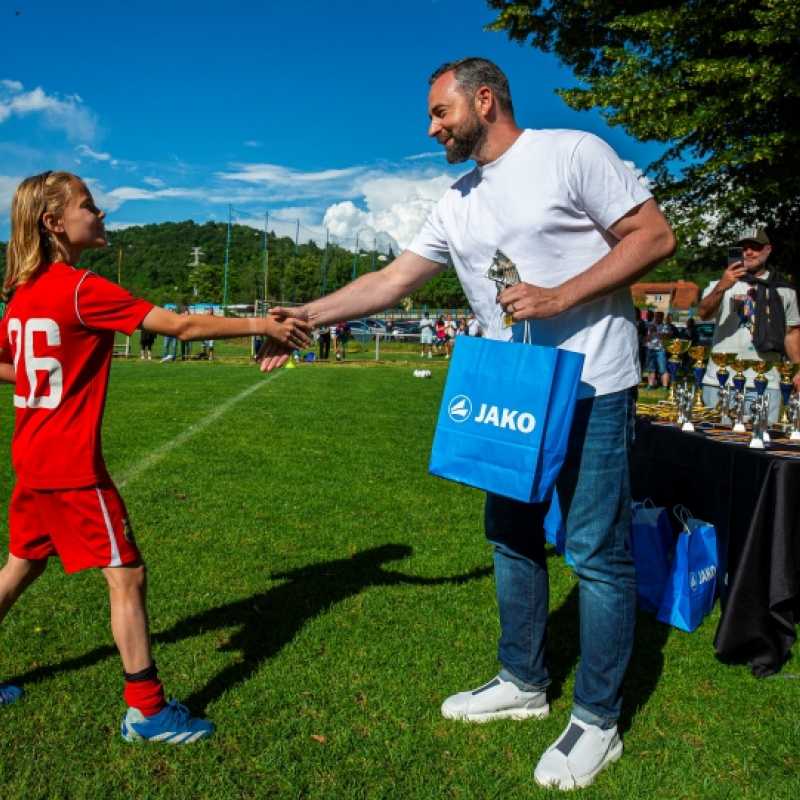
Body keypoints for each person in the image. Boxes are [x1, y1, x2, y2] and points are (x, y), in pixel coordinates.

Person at [260, 58, 675, 789]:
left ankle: (598, 720)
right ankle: (522, 680)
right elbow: (392, 281)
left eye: (439, 112)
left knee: (595, 554)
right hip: (512, 393)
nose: (431, 127)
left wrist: (559, 297)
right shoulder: (456, 200)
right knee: (510, 536)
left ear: (484, 100)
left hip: (591, 385)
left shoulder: (572, 153)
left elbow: (653, 238)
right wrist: (304, 316)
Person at [0, 171, 311, 738]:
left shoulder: (22, 293)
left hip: (31, 457)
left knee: (22, 565)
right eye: (89, 206)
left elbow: (10, 366)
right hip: (69, 465)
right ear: (53, 223)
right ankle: (146, 710)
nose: (101, 214)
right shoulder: (76, 287)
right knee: (128, 576)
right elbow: (182, 324)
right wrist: (261, 322)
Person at [698, 229, 800, 421]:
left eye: (755, 247)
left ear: (768, 250)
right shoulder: (719, 285)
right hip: (721, 380)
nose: (749, 252)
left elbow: (792, 332)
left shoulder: (785, 290)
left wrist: (798, 370)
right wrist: (723, 285)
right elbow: (704, 314)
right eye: (743, 248)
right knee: (717, 444)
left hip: (768, 381)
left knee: (761, 445)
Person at [646, 311, 671, 392]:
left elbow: (665, 337)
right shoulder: (650, 325)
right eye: (656, 317)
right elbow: (648, 339)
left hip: (660, 349)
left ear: (662, 317)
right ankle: (650, 385)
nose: (657, 318)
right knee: (651, 369)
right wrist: (650, 332)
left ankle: (665, 386)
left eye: (659, 317)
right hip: (651, 348)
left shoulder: (665, 327)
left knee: (663, 368)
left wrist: (656, 331)